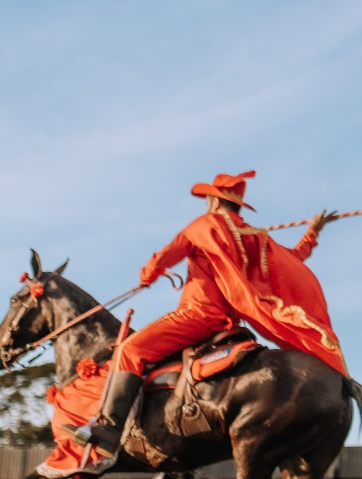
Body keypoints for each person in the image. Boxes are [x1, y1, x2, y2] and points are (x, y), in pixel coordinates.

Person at [69, 171, 344, 457]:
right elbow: (292, 258)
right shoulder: (253, 237)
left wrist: (148, 275)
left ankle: (109, 430)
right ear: (237, 206)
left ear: (213, 201)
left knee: (129, 349)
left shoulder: (203, 226)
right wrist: (313, 232)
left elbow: (165, 256)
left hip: (197, 315)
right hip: (228, 321)